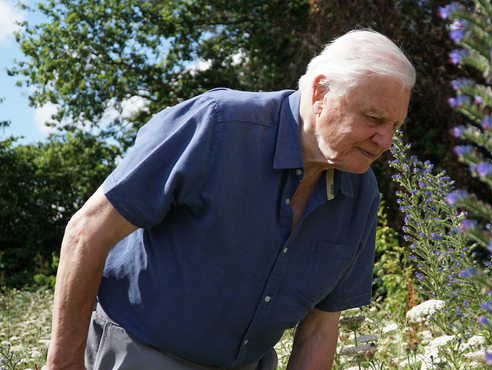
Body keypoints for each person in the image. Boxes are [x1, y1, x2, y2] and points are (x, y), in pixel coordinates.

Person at [45, 29, 415, 370]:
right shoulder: (217, 126)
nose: (385, 141)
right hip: (138, 352)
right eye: (373, 118)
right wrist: (63, 364)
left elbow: (320, 326)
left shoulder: (361, 193)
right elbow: (87, 231)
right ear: (320, 93)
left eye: (394, 126)